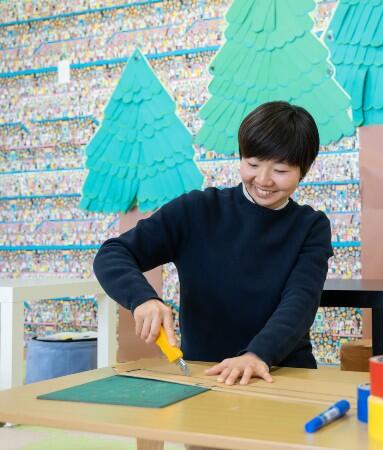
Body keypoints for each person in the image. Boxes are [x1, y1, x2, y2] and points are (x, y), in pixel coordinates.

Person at [93, 101, 333, 385]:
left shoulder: (311, 226)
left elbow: (300, 301)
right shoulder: (197, 210)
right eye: (253, 164)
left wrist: (257, 354)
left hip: (279, 372)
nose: (264, 180)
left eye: (280, 170)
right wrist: (142, 298)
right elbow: (113, 254)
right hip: (204, 373)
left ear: (304, 170)